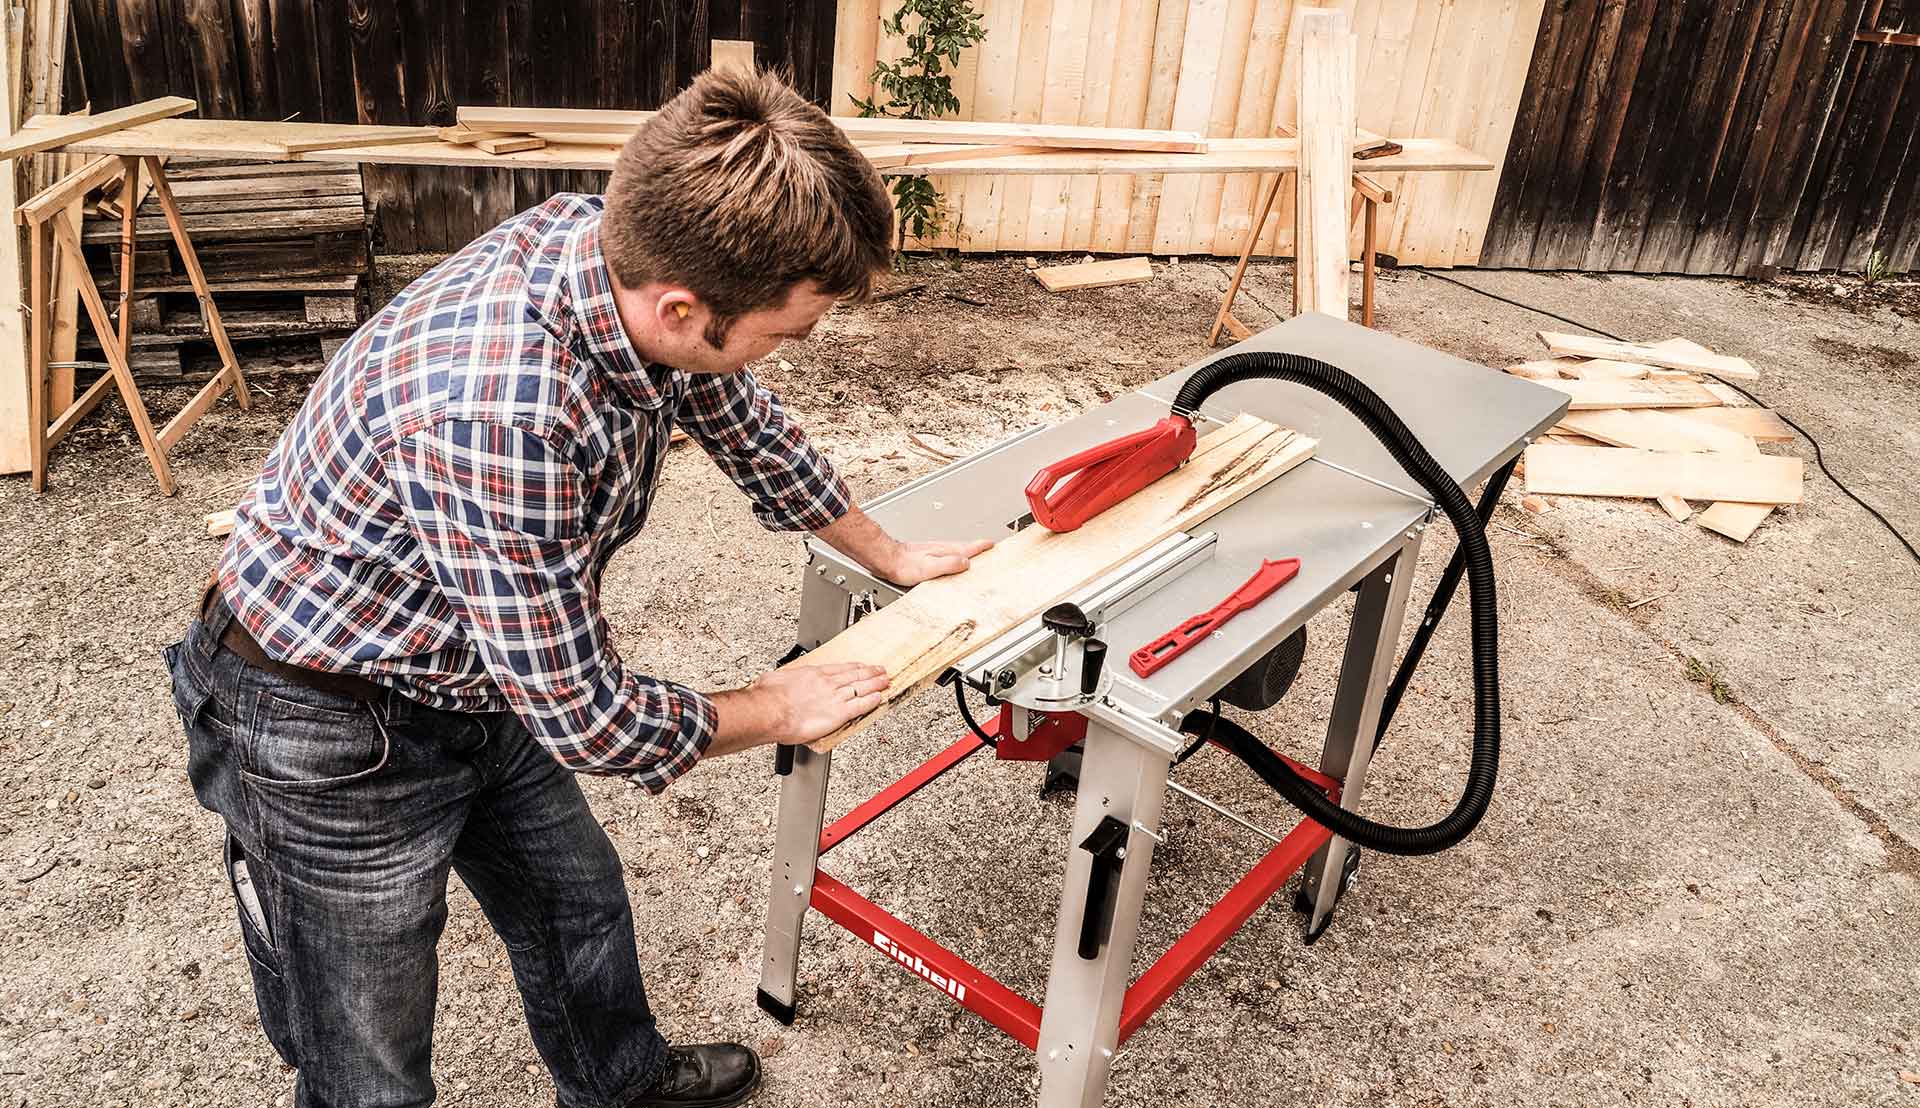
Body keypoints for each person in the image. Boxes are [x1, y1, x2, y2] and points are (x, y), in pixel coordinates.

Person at [164, 68, 992, 1108]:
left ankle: (619, 1084)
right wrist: (779, 706)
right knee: (365, 1047)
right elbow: (589, 718)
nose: (792, 348)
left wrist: (891, 553)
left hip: (469, 666)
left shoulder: (610, 248)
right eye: (788, 331)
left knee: (577, 903)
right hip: (322, 713)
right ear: (686, 307)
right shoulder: (502, 412)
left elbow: (742, 419)